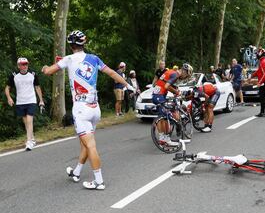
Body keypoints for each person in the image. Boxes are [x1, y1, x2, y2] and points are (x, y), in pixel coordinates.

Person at [42, 30, 135, 190]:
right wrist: (128, 85)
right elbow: (112, 73)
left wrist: (44, 68)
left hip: (81, 110)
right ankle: (76, 172)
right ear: (84, 43)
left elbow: (49, 71)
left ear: (70, 45)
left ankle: (99, 181)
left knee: (90, 145)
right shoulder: (94, 58)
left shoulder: (68, 59)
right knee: (85, 144)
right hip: (95, 109)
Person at [5, 57, 45, 151]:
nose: (25, 66)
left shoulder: (33, 74)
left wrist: (41, 100)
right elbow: (7, 88)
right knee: (26, 122)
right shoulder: (14, 75)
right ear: (18, 66)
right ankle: (33, 138)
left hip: (31, 100)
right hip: (20, 102)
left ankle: (29, 142)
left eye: (26, 64)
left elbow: (37, 87)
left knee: (29, 120)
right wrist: (9, 98)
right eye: (23, 64)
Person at [152, 63, 193, 146]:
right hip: (159, 96)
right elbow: (167, 86)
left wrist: (174, 90)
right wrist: (177, 92)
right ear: (185, 72)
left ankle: (162, 138)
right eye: (187, 76)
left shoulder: (171, 71)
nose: (184, 78)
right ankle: (166, 139)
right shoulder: (176, 75)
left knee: (162, 118)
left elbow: (165, 83)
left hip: (156, 95)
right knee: (168, 117)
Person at [252, 48, 265, 117]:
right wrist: (252, 75)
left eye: (257, 54)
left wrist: (259, 83)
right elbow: (259, 71)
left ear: (260, 54)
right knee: (263, 96)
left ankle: (262, 112)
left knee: (262, 96)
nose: (256, 55)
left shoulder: (263, 62)